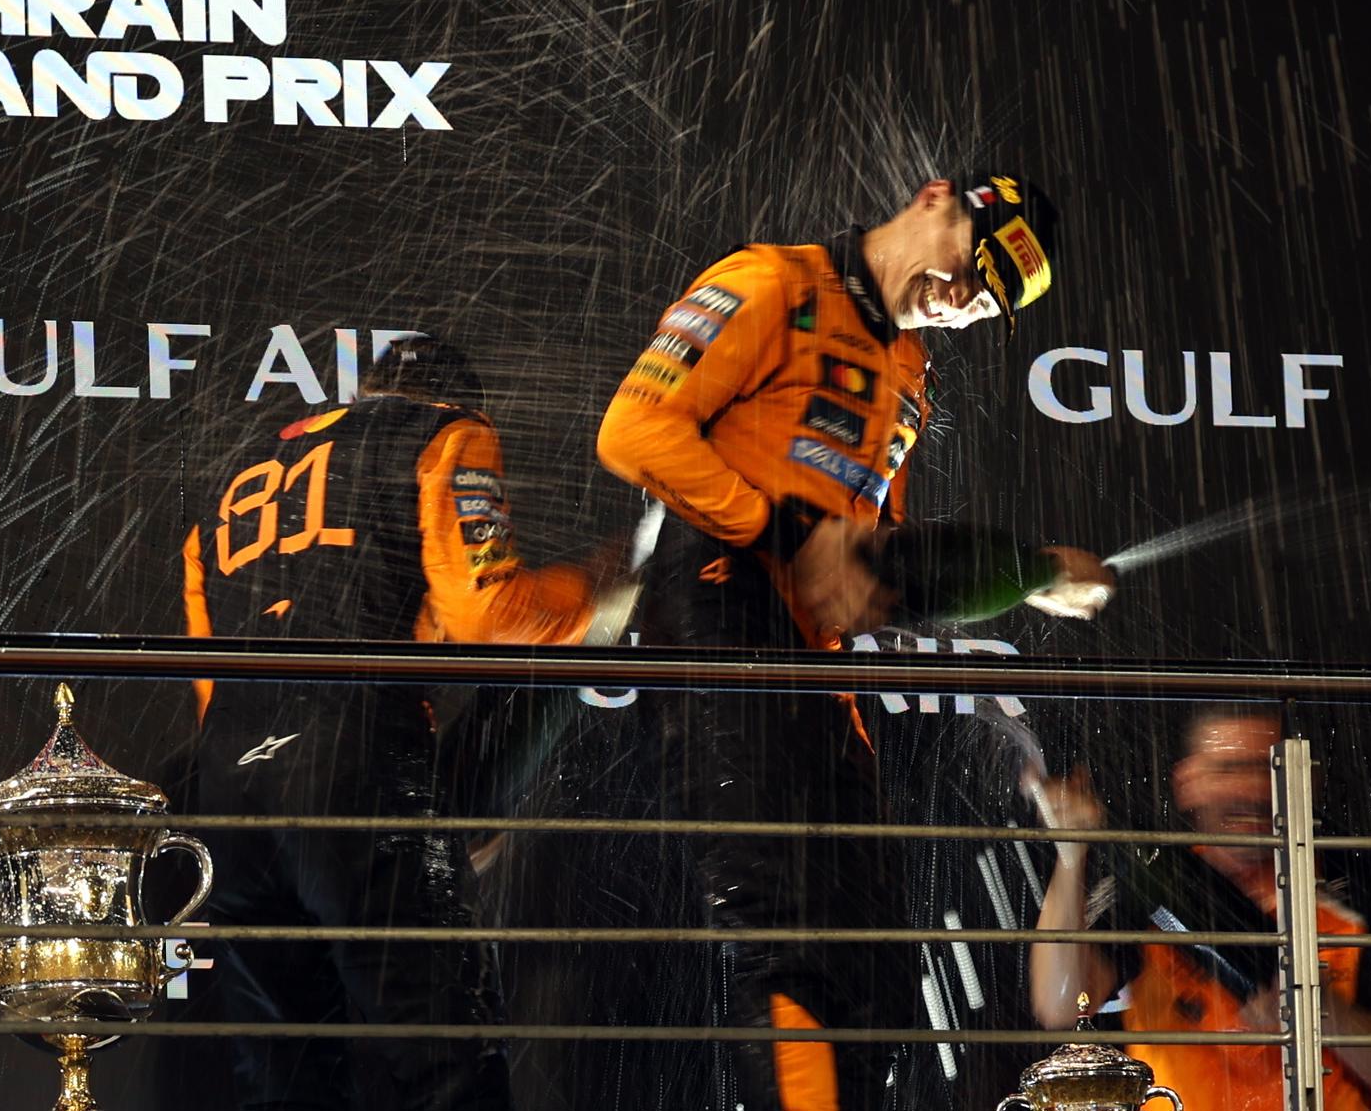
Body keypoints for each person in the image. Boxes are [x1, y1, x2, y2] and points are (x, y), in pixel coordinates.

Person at [596, 175, 1117, 1110]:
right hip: (713, 607)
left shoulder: (909, 372)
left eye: (985, 302)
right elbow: (634, 430)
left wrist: (1032, 572)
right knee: (784, 930)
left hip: (811, 655)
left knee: (872, 946)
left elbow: (870, 569)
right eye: (971, 267)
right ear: (935, 201)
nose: (960, 300)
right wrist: (788, 532)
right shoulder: (772, 283)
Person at [181, 333, 636, 1111]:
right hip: (358, 771)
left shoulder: (229, 482)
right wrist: (598, 589)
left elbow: (206, 670)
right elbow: (489, 612)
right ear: (455, 401)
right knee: (443, 1060)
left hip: (226, 796)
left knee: (285, 1084)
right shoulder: (442, 432)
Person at [1028, 707, 1371, 1111]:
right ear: (1188, 783)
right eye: (1228, 769)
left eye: (1267, 769)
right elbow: (1060, 1003)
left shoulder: (1361, 894)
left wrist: (1318, 1011)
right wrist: (1071, 853)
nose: (1251, 790)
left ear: (1302, 779)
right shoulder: (1151, 888)